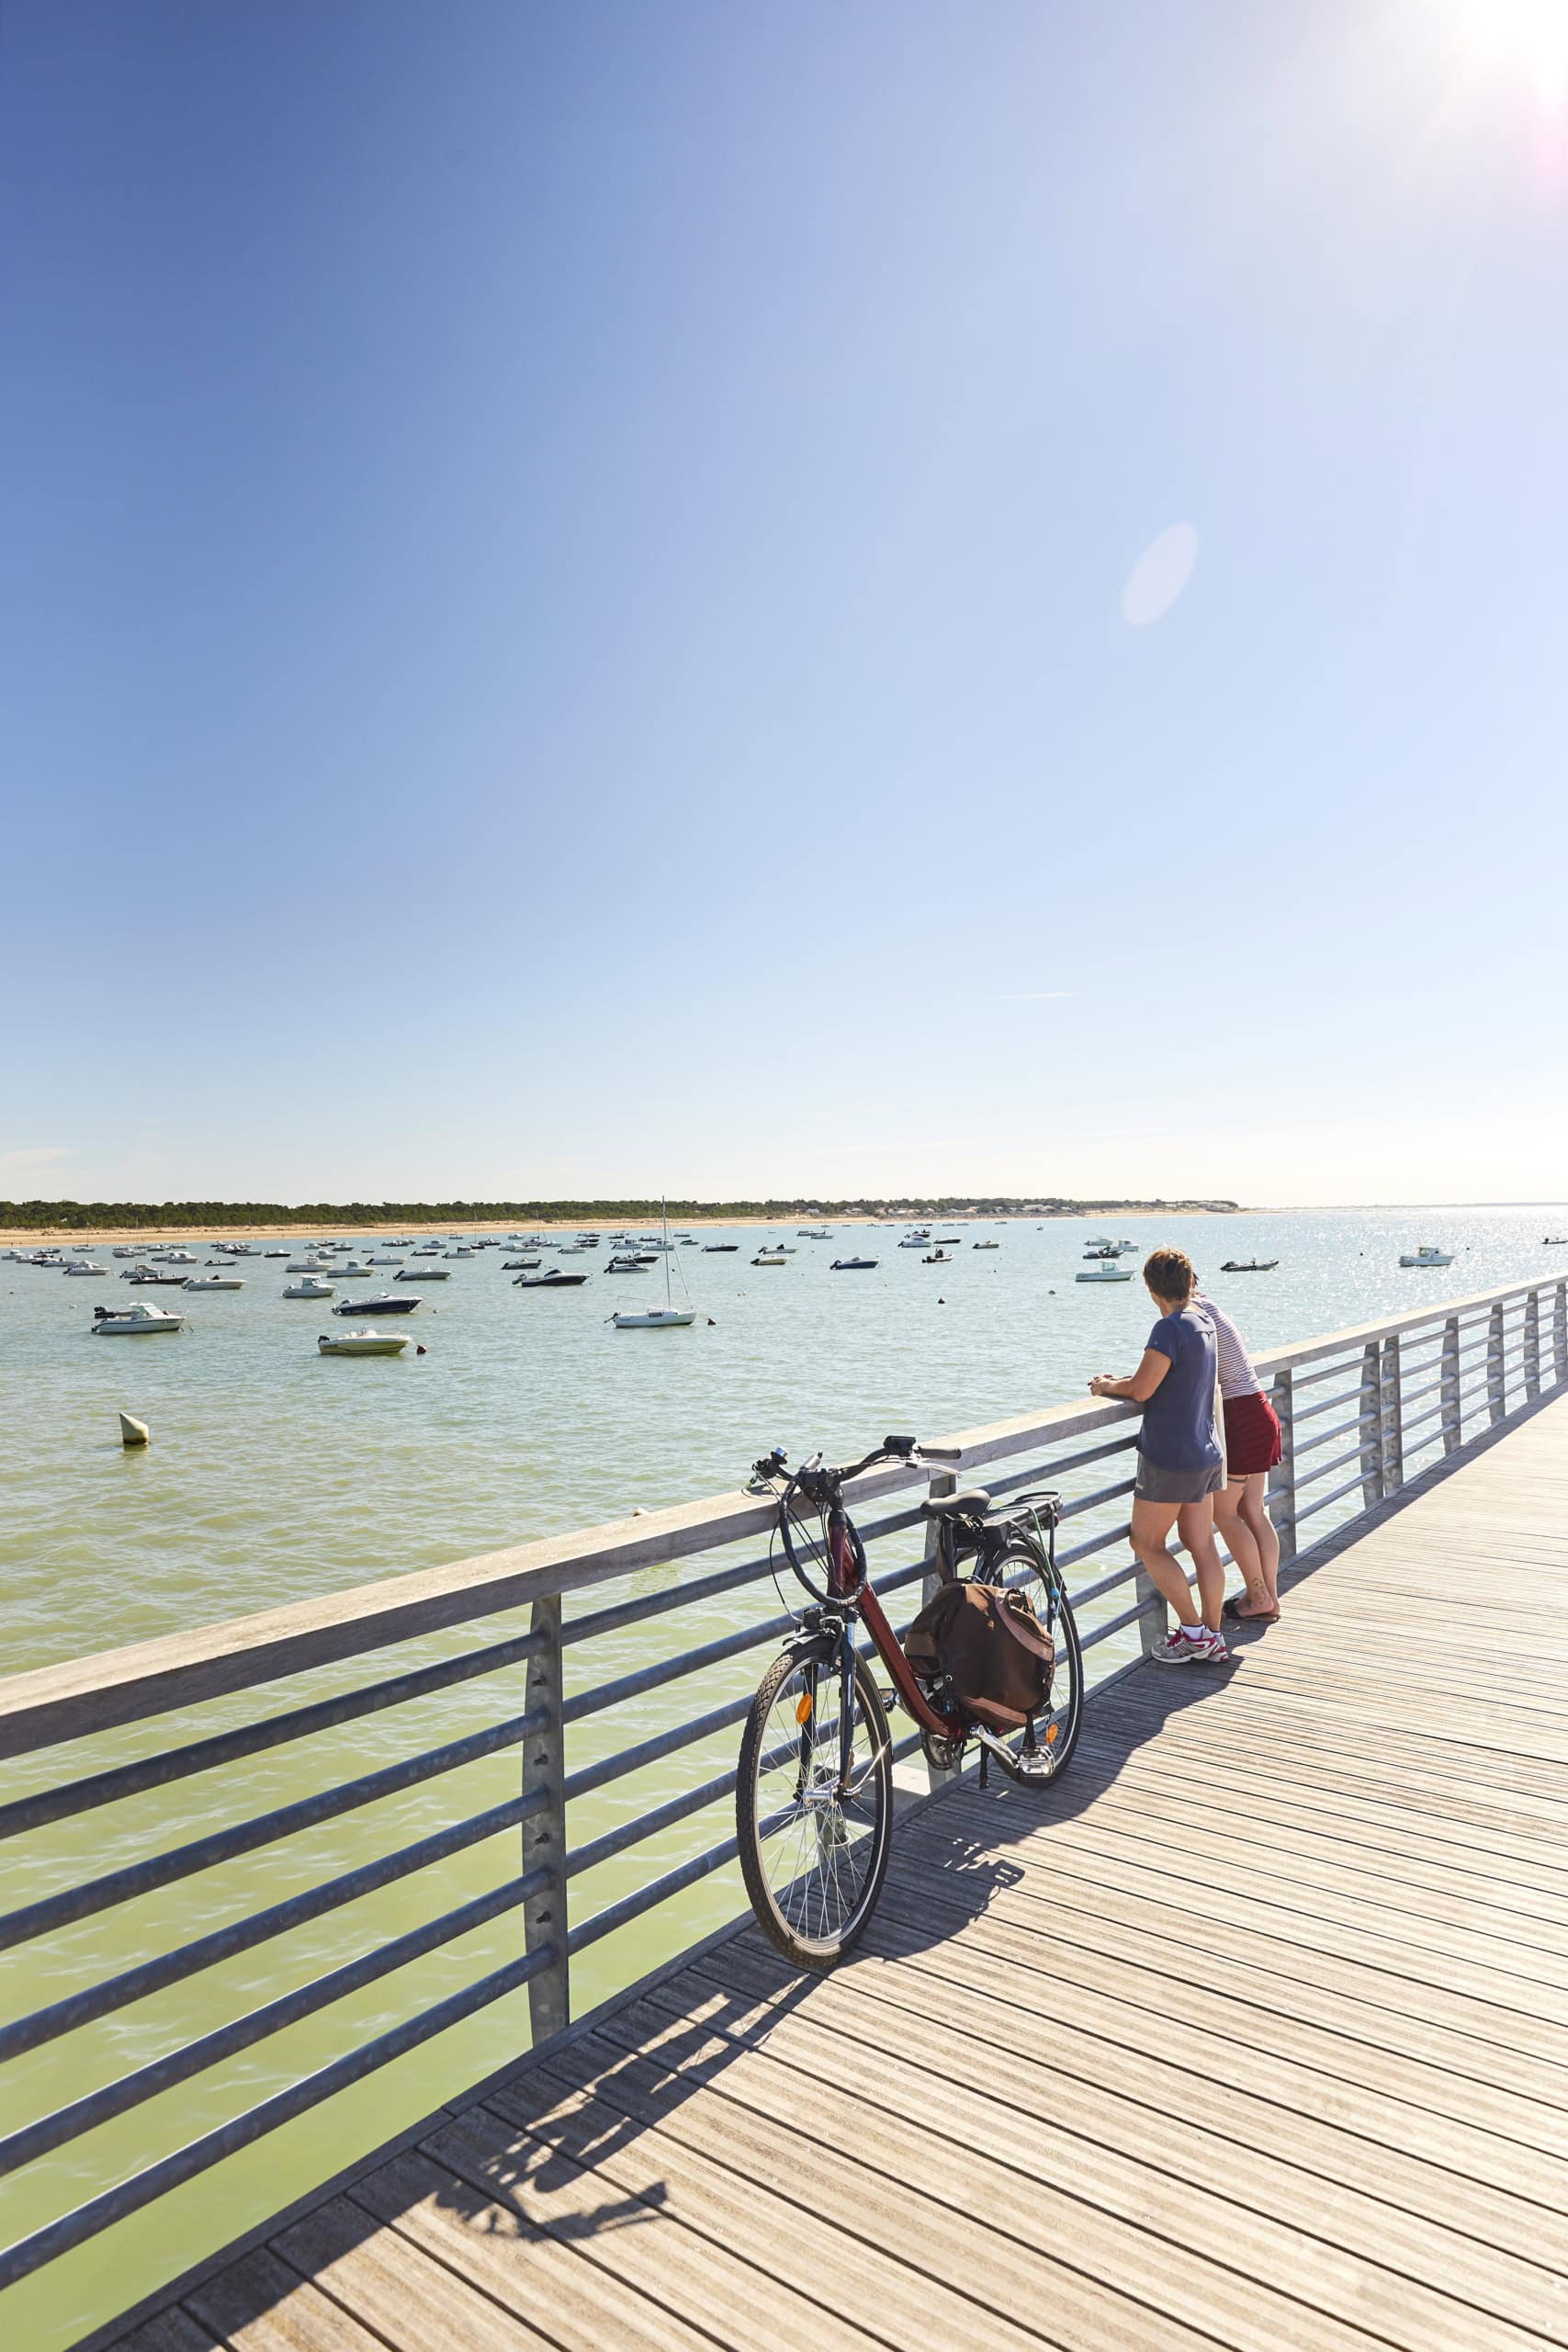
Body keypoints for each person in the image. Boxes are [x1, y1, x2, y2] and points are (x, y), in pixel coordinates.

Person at [1089, 1246, 1227, 1663]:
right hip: (1205, 1451)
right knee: (1201, 1544)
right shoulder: (1204, 1322)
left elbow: (1143, 1390)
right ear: (1190, 1283)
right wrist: (1126, 1380)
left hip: (1171, 1456)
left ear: (1151, 1288)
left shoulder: (1168, 1328)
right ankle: (1214, 1635)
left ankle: (1193, 1633)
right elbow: (1164, 1376)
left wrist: (1105, 1386)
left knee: (1146, 1543)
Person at [1195, 1285, 1283, 1623]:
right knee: (1253, 1510)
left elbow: (1188, 1374)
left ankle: (1259, 1595)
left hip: (1240, 1418)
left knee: (1224, 1513)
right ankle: (1267, 1597)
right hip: (1259, 1410)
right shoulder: (1211, 1306)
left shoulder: (1194, 1315)